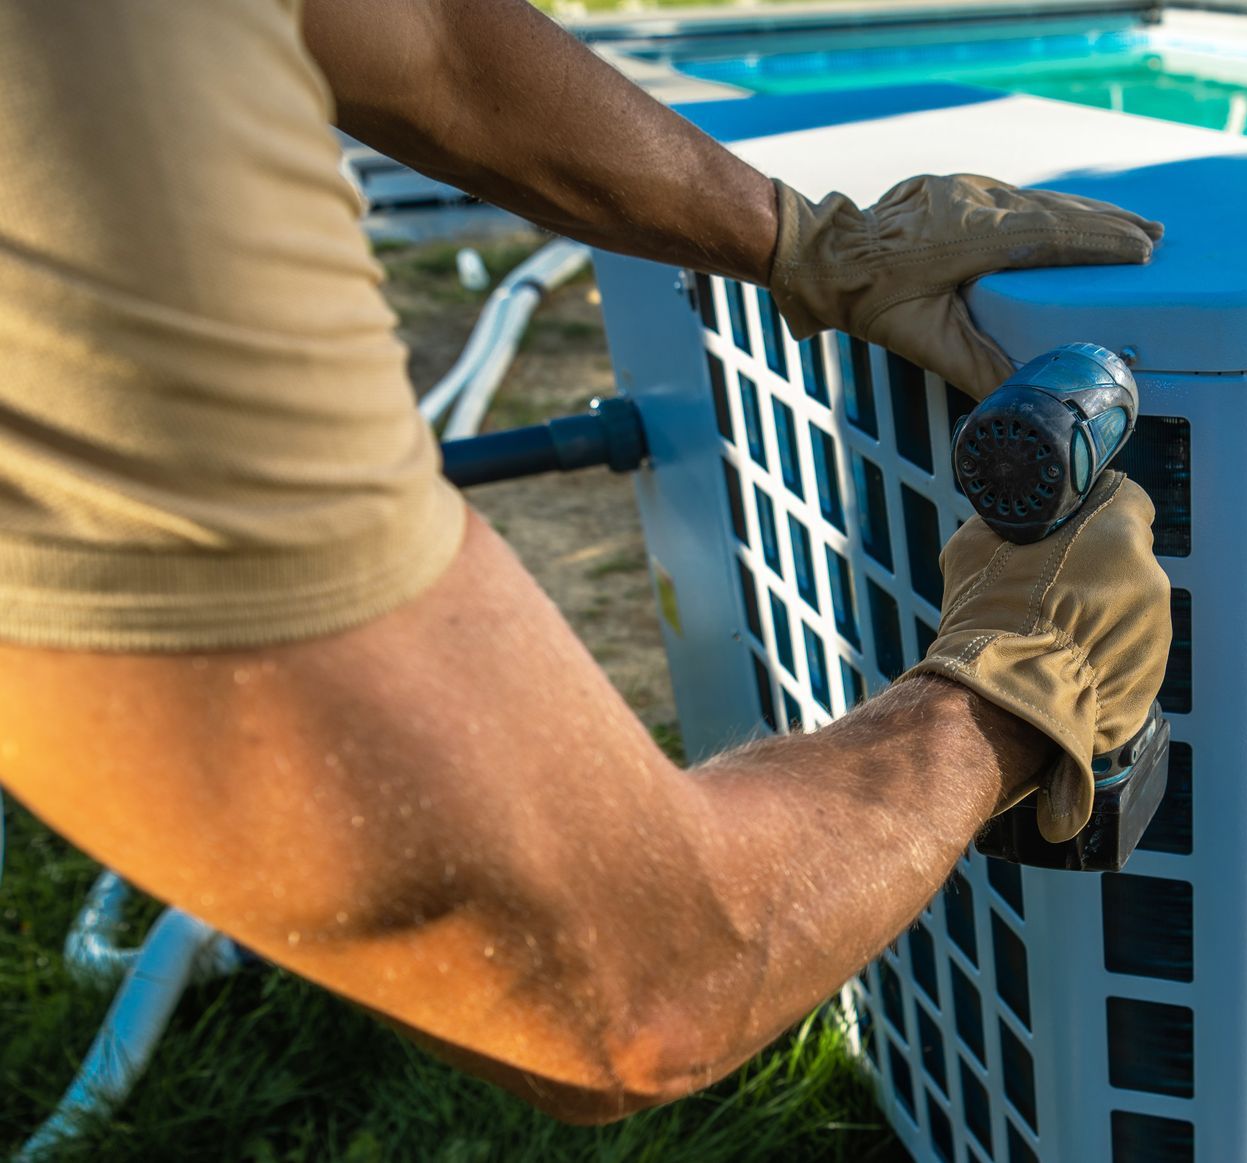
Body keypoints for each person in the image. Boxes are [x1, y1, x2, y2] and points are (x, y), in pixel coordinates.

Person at [0, 0, 1171, 1125]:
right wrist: (1019, 690)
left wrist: (821, 244)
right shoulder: (85, 121)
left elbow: (433, 42)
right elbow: (631, 984)